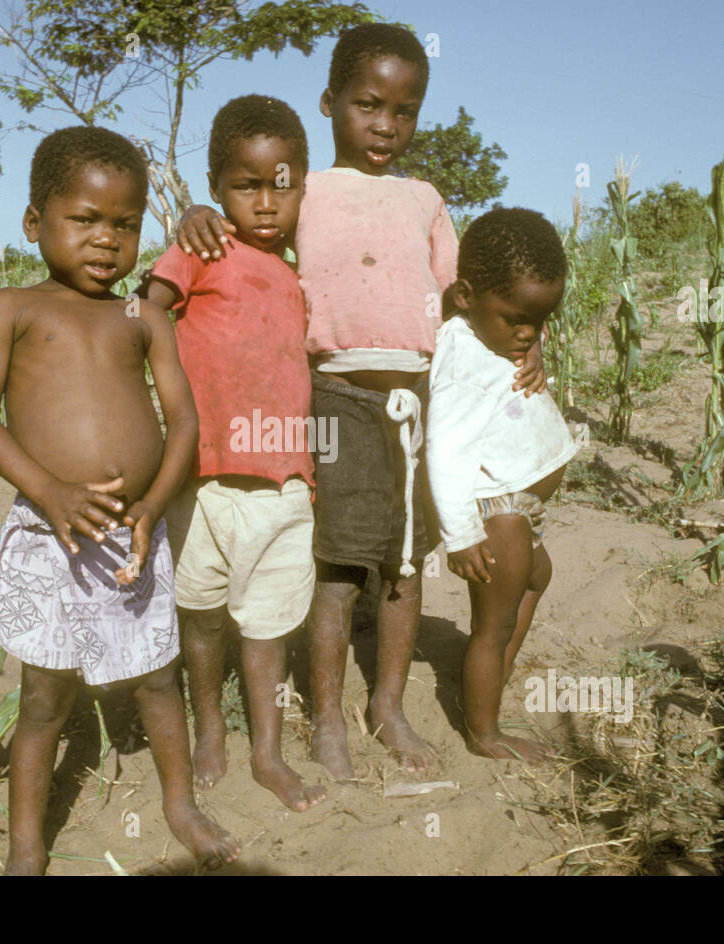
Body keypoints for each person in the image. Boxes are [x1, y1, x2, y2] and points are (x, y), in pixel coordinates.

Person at [174, 24, 548, 778]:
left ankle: (388, 706)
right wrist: (194, 216)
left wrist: (529, 341)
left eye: (406, 110)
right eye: (368, 105)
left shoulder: (425, 200)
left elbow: (466, 301)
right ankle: (326, 724)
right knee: (338, 571)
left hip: (417, 405)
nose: (386, 125)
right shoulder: (304, 194)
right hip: (335, 396)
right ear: (329, 103)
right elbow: (249, 239)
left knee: (404, 567)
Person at [0, 126, 240, 874]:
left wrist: (151, 506)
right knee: (44, 699)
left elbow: (184, 421)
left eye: (124, 223)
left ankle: (178, 804)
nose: (106, 240)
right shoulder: (12, 307)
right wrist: (48, 490)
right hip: (51, 534)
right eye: (84, 219)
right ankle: (26, 845)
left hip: (131, 534)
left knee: (156, 675)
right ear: (34, 223)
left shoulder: (142, 318)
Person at [141, 95, 326, 812]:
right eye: (247, 186)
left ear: (303, 184)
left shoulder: (300, 270)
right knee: (201, 612)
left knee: (269, 624)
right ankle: (210, 724)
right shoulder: (201, 246)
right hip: (203, 480)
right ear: (217, 188)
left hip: (283, 484)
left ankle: (268, 752)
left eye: (284, 182)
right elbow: (146, 311)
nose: (268, 201)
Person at [426, 207, 577, 763]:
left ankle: (491, 680)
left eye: (541, 321)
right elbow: (444, 452)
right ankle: (484, 733)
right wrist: (462, 534)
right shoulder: (465, 360)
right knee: (493, 624)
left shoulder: (495, 340)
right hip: (499, 510)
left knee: (537, 578)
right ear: (465, 295)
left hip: (520, 505)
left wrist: (529, 349)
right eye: (517, 318)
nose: (529, 332)